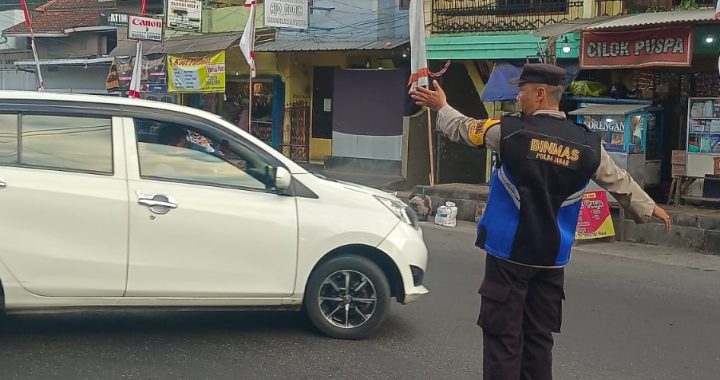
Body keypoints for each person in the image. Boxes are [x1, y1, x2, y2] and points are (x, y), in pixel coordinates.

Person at [410, 64, 672, 380]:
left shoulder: (510, 132)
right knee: (539, 340)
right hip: (551, 260)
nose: (518, 97)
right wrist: (649, 207)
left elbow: (464, 128)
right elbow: (617, 179)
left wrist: (442, 106)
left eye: (521, 91)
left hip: (508, 256)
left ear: (539, 93)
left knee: (503, 339)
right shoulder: (587, 144)